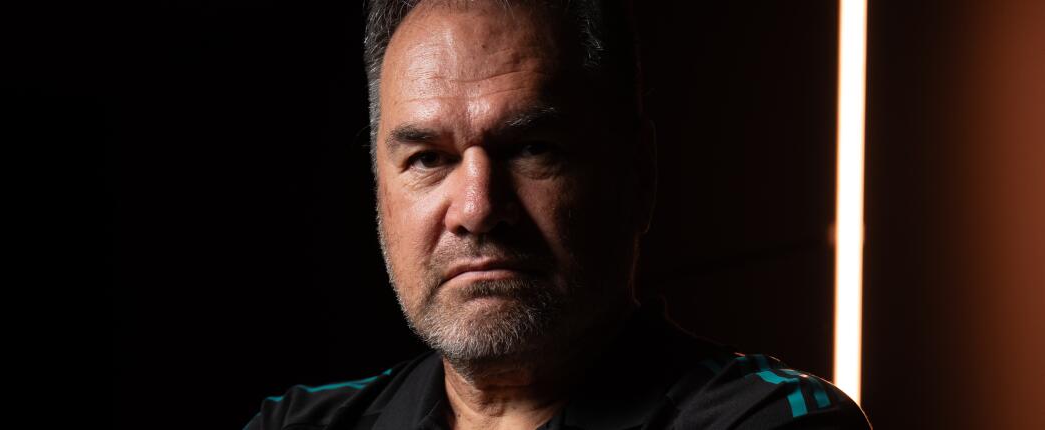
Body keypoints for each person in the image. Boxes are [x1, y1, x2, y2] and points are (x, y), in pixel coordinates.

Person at [245, 0, 871, 428]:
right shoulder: (298, 423)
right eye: (430, 158)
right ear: (380, 191)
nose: (477, 209)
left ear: (639, 175)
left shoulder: (772, 423)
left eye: (532, 148)